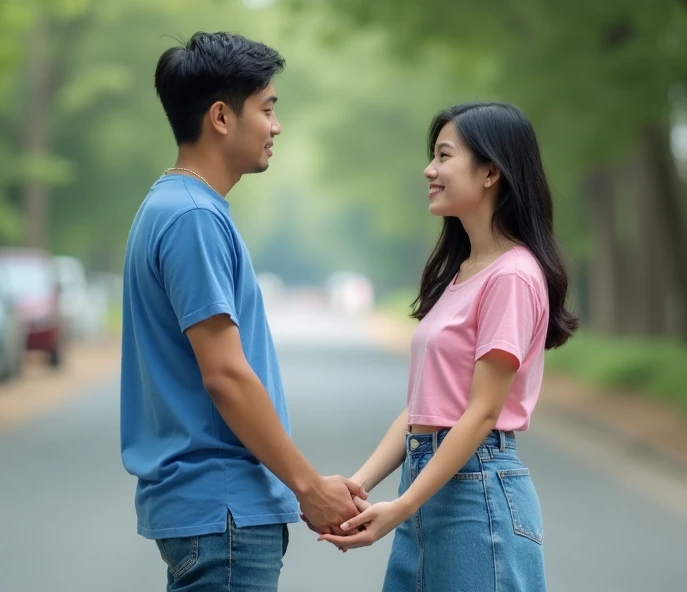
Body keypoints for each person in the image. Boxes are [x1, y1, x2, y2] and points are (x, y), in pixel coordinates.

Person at [120, 32, 365, 591]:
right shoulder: (192, 218)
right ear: (221, 118)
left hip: (215, 514)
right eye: (268, 108)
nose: (276, 125)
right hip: (224, 509)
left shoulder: (176, 207)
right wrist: (308, 486)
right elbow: (226, 375)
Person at [315, 102, 579, 591]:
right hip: (428, 484)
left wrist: (403, 506)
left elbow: (480, 414)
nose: (429, 170)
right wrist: (359, 487)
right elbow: (422, 410)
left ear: (490, 172)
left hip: (475, 498)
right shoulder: (461, 275)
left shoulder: (514, 277)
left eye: (443, 155)